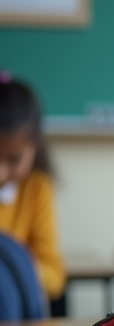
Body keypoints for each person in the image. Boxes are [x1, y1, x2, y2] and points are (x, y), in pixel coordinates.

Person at [0, 73, 65, 302]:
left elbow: (54, 278)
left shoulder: (37, 188)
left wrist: (12, 270)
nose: (1, 173)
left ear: (34, 147)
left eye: (14, 159)